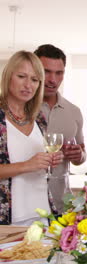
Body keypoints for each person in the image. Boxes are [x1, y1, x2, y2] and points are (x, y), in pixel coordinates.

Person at [0, 51, 63, 225]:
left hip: (41, 213)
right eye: (22, 76)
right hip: (9, 221)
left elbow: (39, 165)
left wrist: (50, 160)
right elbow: (28, 164)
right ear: (8, 77)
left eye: (35, 80)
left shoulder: (39, 117)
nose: (28, 85)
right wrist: (27, 165)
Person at [34, 44, 86, 214]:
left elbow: (81, 154)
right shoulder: (19, 109)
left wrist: (79, 155)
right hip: (27, 204)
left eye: (59, 73)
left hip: (62, 205)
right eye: (46, 71)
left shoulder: (74, 111)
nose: (52, 79)